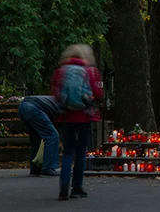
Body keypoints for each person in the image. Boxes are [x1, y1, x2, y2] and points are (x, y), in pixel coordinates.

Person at [52, 44, 103, 201]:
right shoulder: (90, 71)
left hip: (67, 116)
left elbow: (55, 93)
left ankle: (64, 187)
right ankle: (77, 188)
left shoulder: (60, 71)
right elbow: (98, 92)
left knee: (67, 152)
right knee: (81, 152)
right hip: (84, 116)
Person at [17, 95, 61, 177]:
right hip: (34, 108)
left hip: (23, 107)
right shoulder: (66, 106)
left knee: (36, 140)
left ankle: (35, 169)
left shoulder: (57, 101)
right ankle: (48, 168)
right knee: (52, 136)